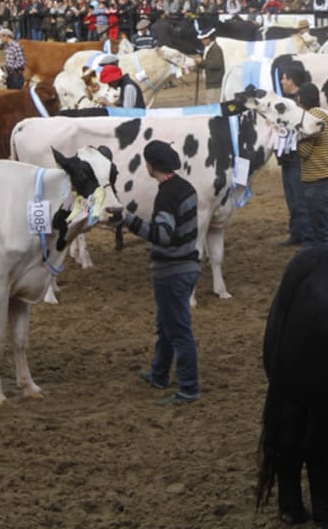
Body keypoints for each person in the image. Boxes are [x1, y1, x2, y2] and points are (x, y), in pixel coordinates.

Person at [123, 140, 201, 405]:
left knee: (178, 329)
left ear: (151, 165)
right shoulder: (185, 187)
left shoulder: (166, 194)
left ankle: (189, 388)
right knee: (168, 325)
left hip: (172, 271)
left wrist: (128, 220)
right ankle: (159, 374)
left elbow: (162, 236)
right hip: (188, 266)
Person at [296, 82, 328, 247]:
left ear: (300, 99)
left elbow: (304, 152)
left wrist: (295, 140)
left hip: (316, 184)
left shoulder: (310, 120)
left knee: (323, 236)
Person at [276, 66, 311, 246]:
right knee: (291, 196)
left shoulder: (299, 103)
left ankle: (305, 235)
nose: (281, 81)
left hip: (297, 155)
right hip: (286, 156)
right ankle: (296, 231)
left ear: (292, 81)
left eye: (284, 78)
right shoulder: (284, 101)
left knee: (299, 196)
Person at [193, 28, 224, 104]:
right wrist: (199, 64)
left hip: (215, 83)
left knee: (213, 105)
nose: (202, 41)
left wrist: (202, 61)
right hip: (211, 82)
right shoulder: (209, 48)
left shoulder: (216, 49)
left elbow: (217, 64)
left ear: (208, 39)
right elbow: (208, 64)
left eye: (203, 39)